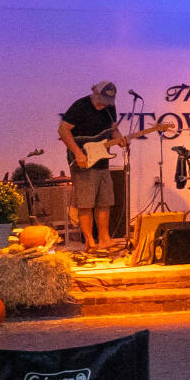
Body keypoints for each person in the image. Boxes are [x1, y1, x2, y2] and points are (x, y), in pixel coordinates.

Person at [58, 79, 126, 256]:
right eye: (102, 100)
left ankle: (104, 239)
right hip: (82, 158)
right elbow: (63, 130)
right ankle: (89, 240)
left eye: (108, 102)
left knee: (105, 200)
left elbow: (113, 129)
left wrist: (119, 138)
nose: (104, 105)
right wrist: (77, 153)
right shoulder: (80, 106)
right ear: (95, 92)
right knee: (86, 202)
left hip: (102, 160)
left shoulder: (110, 109)